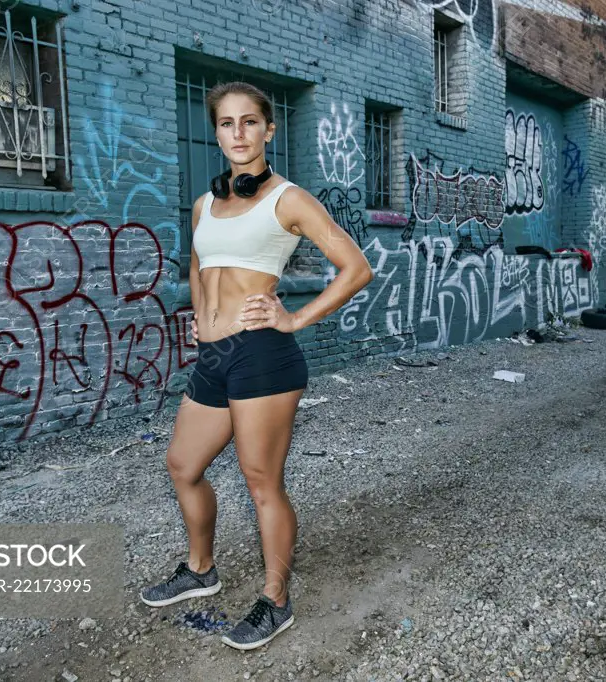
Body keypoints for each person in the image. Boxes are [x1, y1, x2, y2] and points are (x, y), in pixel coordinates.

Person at [140, 81, 373, 651]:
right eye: (226, 123)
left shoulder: (287, 199)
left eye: (249, 123)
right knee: (182, 464)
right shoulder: (205, 202)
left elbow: (356, 267)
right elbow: (198, 266)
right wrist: (202, 318)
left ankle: (275, 599)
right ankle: (201, 570)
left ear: (269, 130)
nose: (238, 133)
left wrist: (293, 318)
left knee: (262, 483)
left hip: (263, 355)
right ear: (215, 131)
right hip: (215, 354)